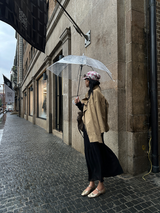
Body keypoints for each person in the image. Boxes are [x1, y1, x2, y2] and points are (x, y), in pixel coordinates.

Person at [75, 71, 123, 198]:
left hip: (94, 132)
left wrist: (100, 132)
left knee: (97, 156)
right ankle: (91, 183)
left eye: (86, 79)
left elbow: (100, 115)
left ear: (90, 81)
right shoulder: (90, 94)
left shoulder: (96, 94)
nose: (84, 81)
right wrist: (79, 104)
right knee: (89, 156)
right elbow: (88, 112)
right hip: (87, 130)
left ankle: (101, 185)